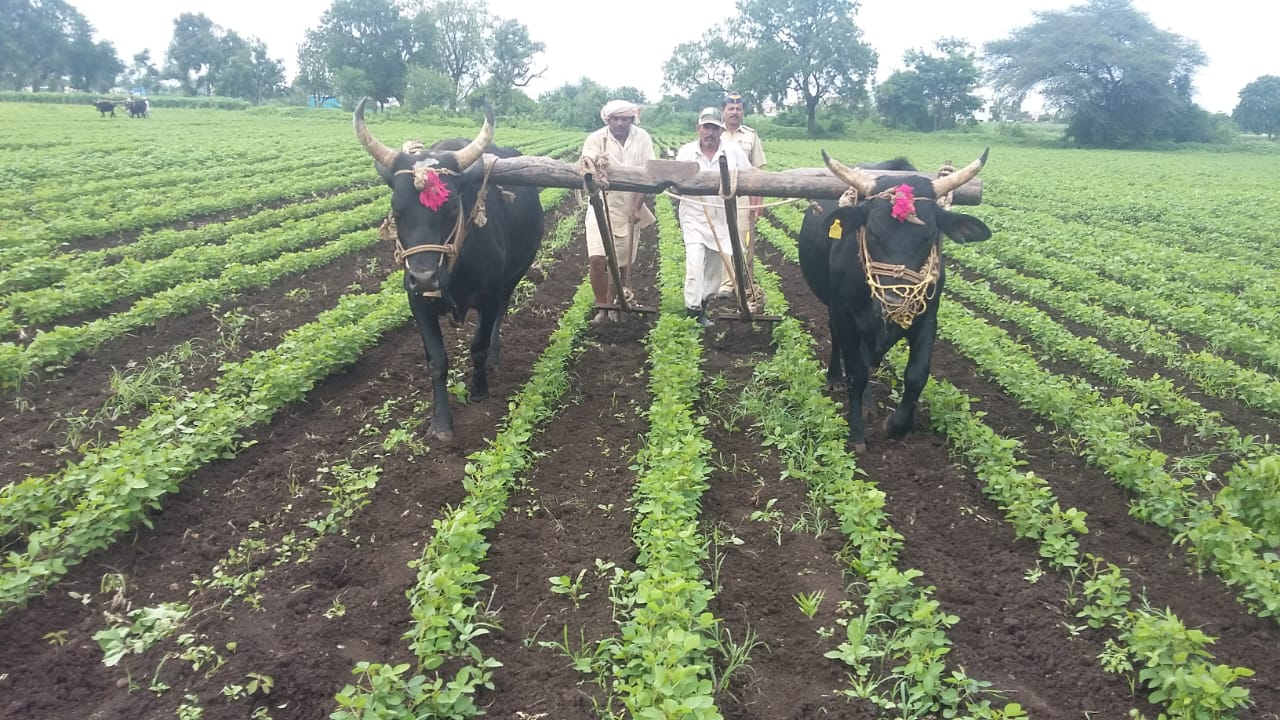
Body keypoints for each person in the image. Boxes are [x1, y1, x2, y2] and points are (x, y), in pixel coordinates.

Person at [674, 107, 753, 327]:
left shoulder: (733, 151)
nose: (710, 133)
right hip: (693, 216)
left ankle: (703, 306)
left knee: (714, 271)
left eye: (714, 128)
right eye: (706, 127)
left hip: (722, 218)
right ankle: (692, 312)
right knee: (694, 264)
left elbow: (747, 176)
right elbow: (676, 182)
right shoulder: (686, 153)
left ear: (721, 130)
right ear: (698, 129)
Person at [581, 99, 656, 324]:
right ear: (608, 119)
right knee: (597, 259)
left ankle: (614, 305)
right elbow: (587, 168)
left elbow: (649, 173)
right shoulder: (596, 139)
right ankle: (601, 306)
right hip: (601, 205)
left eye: (625, 119)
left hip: (629, 208)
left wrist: (637, 206)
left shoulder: (642, 138)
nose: (621, 123)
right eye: (616, 118)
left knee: (622, 263)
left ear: (632, 120)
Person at [716, 91, 767, 299]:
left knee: (739, 239)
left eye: (738, 109)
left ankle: (735, 280)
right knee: (718, 238)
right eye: (730, 109)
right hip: (717, 195)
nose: (734, 112)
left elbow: (757, 171)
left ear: (742, 111)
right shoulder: (714, 133)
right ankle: (724, 282)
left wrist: (758, 203)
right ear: (724, 111)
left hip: (742, 198)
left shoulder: (750, 136)